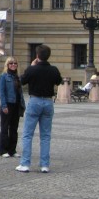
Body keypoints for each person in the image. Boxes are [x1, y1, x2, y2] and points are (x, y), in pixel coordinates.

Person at [16, 44, 61, 174]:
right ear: (48, 56)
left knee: (28, 134)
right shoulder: (53, 69)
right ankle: (44, 165)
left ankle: (25, 164)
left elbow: (22, 81)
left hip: (35, 101)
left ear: (37, 56)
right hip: (48, 102)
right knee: (46, 136)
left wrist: (32, 66)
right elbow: (58, 81)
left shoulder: (32, 69)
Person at [0, 56, 24, 158]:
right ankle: (3, 150)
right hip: (7, 104)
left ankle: (12, 150)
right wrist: (4, 105)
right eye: (11, 63)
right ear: (7, 65)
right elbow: (1, 92)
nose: (13, 65)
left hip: (16, 105)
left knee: (14, 128)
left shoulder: (17, 77)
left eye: (15, 63)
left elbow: (20, 93)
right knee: (4, 128)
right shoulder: (4, 76)